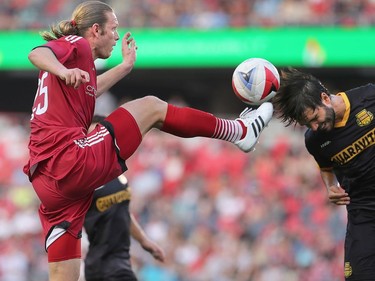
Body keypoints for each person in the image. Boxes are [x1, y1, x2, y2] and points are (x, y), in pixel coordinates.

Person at [23, 1, 273, 281]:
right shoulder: (77, 45)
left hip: (47, 181)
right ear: (95, 30)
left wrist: (125, 67)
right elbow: (37, 53)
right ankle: (238, 130)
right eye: (113, 28)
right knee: (152, 107)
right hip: (67, 160)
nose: (117, 36)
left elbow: (90, 91)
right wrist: (61, 70)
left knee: (61, 274)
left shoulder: (79, 66)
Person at [273, 67, 375, 280]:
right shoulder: (314, 140)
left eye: (314, 118)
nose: (315, 127)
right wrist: (330, 186)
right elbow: (326, 166)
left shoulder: (369, 97)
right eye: (308, 124)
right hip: (364, 212)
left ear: (324, 98)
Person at [83, 115, 165, 281]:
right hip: (103, 263)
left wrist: (143, 241)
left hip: (119, 261)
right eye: (90, 138)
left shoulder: (116, 174)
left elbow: (122, 211)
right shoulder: (82, 181)